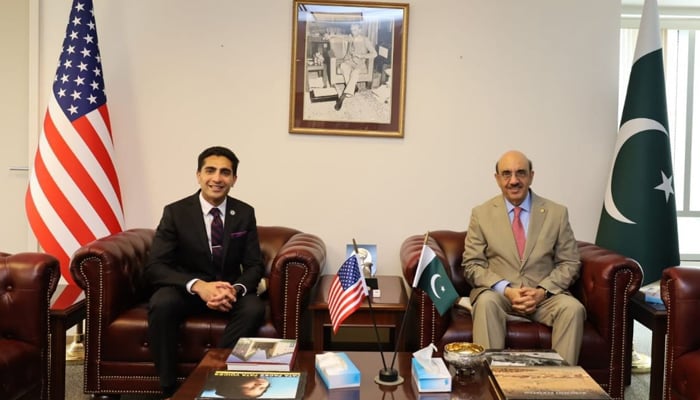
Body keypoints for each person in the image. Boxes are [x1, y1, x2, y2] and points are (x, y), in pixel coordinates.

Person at [144, 146, 266, 398]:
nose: (217, 178)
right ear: (198, 175)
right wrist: (199, 286)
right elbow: (155, 266)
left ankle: (212, 379)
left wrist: (234, 289)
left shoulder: (244, 213)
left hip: (228, 292)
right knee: (161, 303)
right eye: (210, 170)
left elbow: (254, 265)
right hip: (187, 290)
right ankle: (169, 390)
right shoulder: (175, 212)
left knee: (254, 307)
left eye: (225, 172)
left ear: (234, 179)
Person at [461, 150, 585, 366]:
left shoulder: (557, 213)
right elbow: (472, 265)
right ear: (497, 179)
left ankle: (562, 387)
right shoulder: (481, 214)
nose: (514, 180)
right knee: (486, 303)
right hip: (500, 295)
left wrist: (541, 291)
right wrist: (506, 289)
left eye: (521, 173)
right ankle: (491, 385)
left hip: (544, 297)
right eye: (506, 174)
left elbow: (570, 262)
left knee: (573, 309)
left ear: (531, 176)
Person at [334, 22, 377, 111]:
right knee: (343, 66)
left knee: (355, 73)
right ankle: (353, 88)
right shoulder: (351, 39)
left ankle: (343, 95)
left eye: (355, 30)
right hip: (350, 62)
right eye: (352, 30)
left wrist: (361, 56)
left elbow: (374, 54)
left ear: (360, 30)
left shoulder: (365, 40)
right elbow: (343, 37)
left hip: (360, 64)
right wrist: (330, 36)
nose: (353, 32)